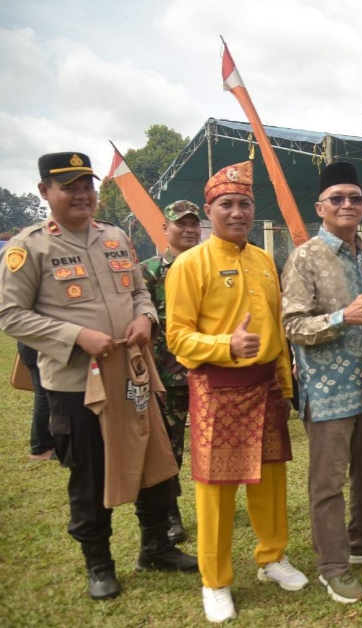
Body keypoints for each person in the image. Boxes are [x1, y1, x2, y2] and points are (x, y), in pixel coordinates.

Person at [0, 152, 197, 601]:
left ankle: (156, 547)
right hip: (75, 383)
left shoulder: (115, 237)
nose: (82, 195)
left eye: (87, 186)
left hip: (133, 371)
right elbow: (9, 314)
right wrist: (75, 335)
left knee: (155, 461)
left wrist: (145, 318)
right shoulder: (28, 247)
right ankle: (99, 563)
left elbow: (141, 291)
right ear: (45, 192)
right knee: (88, 474)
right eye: (69, 187)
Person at [165, 161, 307, 623]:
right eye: (227, 204)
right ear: (209, 212)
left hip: (265, 385)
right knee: (216, 488)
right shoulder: (190, 264)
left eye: (245, 203)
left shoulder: (264, 260)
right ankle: (216, 580)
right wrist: (225, 344)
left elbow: (278, 332)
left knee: (270, 478)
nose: (238, 211)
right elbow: (177, 337)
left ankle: (272, 557)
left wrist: (285, 386)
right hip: (218, 387)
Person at [281, 162, 362, 605]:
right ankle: (332, 566)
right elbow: (292, 325)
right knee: (328, 483)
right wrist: (345, 316)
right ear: (320, 207)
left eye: (355, 198)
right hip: (327, 393)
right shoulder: (305, 255)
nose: (348, 205)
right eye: (338, 198)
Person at [141, 200, 202, 544]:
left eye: (194, 223)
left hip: (209, 371)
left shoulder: (210, 265)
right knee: (169, 448)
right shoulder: (148, 272)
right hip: (169, 376)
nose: (189, 229)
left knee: (214, 444)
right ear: (165, 228)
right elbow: (142, 327)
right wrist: (150, 377)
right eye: (181, 223)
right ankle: (170, 514)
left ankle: (215, 502)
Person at [18, 341, 55, 460]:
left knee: (44, 397)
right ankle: (39, 449)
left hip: (33, 349)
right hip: (36, 351)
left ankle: (46, 441)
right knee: (43, 398)